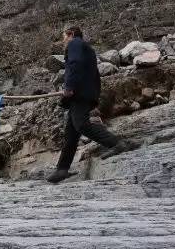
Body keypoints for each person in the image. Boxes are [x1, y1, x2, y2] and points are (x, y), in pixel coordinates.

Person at [47, 26, 136, 184]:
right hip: (84, 92)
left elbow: (74, 64)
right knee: (71, 133)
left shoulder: (75, 44)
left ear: (71, 35)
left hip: (81, 93)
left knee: (81, 124)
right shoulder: (84, 47)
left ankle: (116, 143)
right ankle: (62, 169)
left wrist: (68, 87)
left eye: (64, 37)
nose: (63, 40)